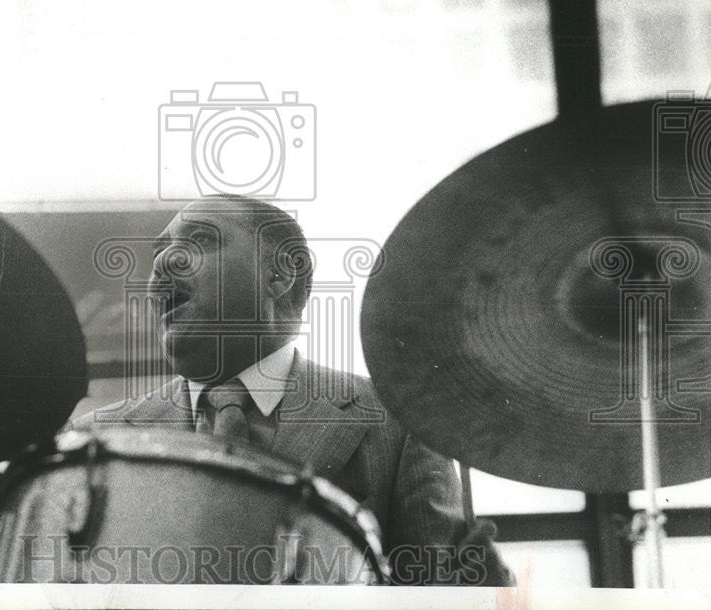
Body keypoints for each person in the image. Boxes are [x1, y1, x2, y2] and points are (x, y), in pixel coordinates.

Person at [72, 194, 514, 586]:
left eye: (200, 241)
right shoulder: (90, 440)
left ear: (281, 275)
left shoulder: (396, 421)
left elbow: (435, 594)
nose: (163, 263)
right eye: (160, 251)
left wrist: (483, 589)